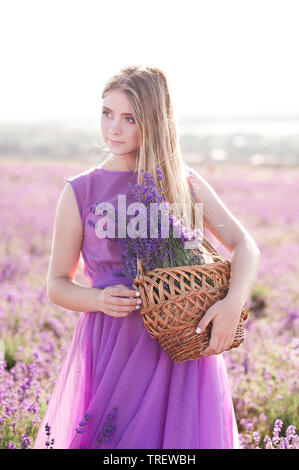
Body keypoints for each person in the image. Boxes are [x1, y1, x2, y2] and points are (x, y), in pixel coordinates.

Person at [33, 65, 260, 449]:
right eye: (106, 114)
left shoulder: (180, 182)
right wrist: (97, 299)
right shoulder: (81, 191)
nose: (113, 129)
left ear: (153, 121)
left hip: (183, 349)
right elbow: (56, 284)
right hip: (115, 351)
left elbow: (245, 246)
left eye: (129, 118)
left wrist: (232, 304)